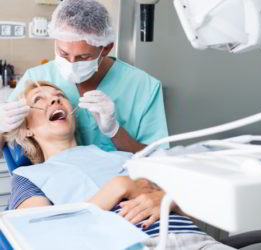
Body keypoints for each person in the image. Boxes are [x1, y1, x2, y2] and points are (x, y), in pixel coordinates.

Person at [4, 80, 236, 250]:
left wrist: (168, 198)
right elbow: (40, 239)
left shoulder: (123, 156)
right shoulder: (28, 176)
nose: (54, 99)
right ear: (26, 129)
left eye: (59, 95)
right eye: (38, 100)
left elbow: (204, 207)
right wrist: (117, 188)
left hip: (198, 241)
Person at [0, 0, 168, 153]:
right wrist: (1, 128)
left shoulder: (144, 87)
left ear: (106, 48)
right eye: (63, 53)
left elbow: (157, 159)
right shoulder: (36, 78)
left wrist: (115, 131)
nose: (71, 63)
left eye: (83, 57)